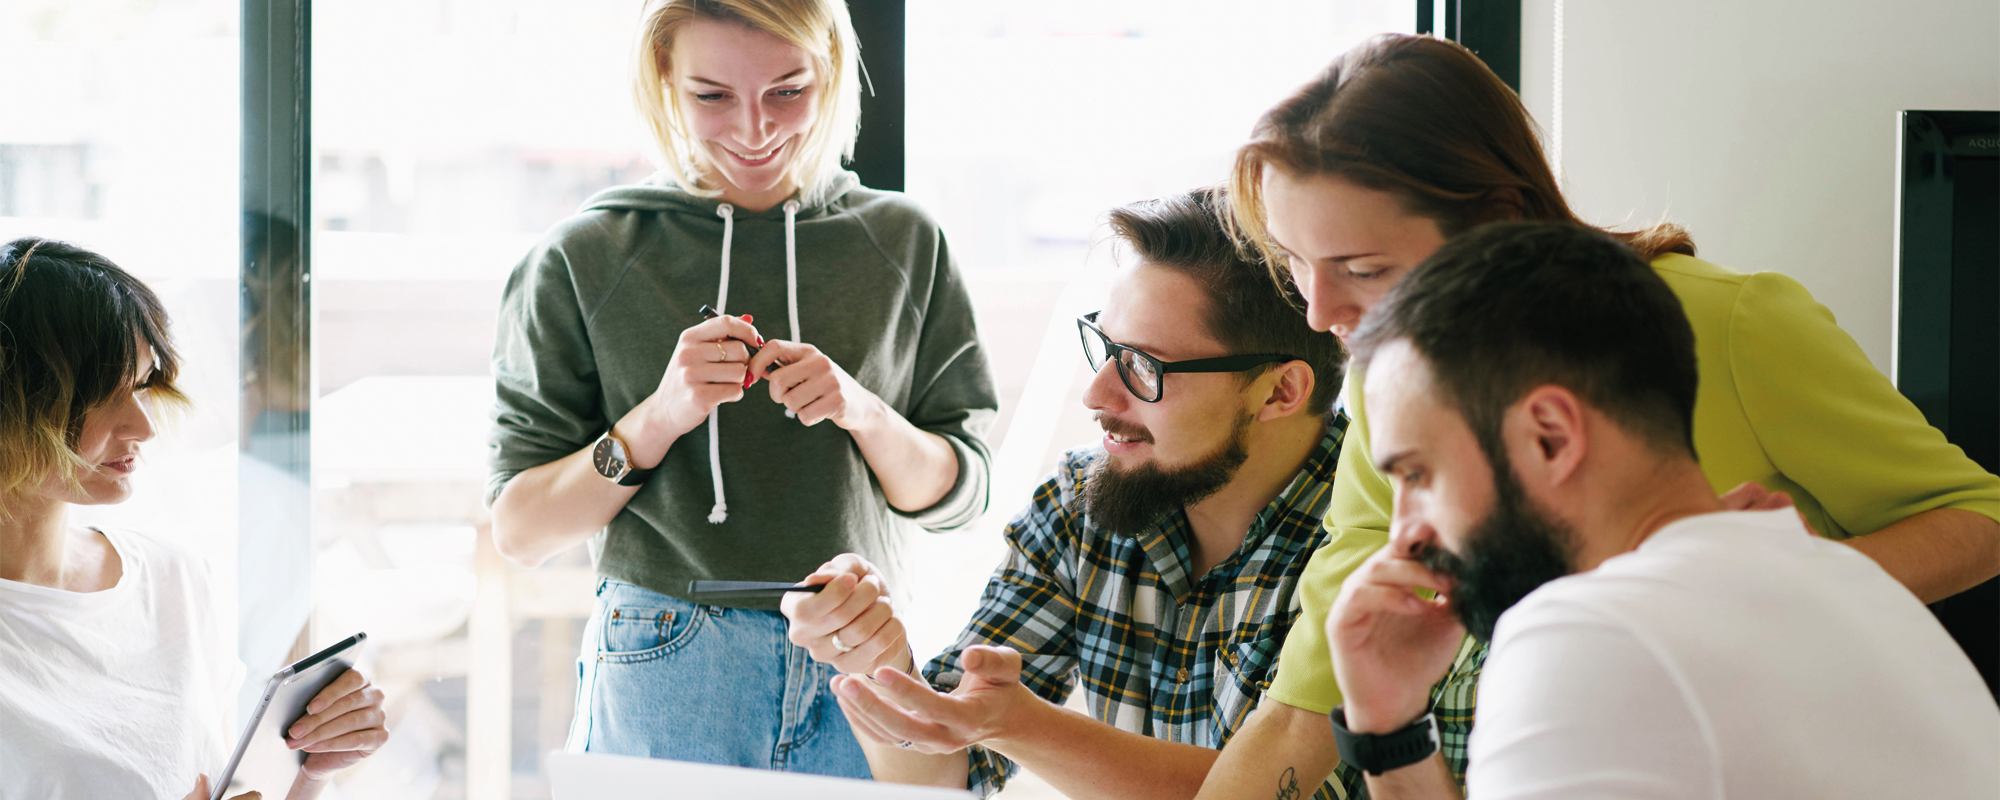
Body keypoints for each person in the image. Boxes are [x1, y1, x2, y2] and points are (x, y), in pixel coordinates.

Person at [1195, 34, 2000, 797]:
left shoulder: (1729, 330)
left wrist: (1743, 590)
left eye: (1365, 269)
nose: (1319, 313)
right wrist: (1386, 728)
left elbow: (1979, 516)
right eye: (1295, 264)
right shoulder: (1399, 373)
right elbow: (1312, 690)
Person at [485, 0, 997, 779]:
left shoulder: (906, 242)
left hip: (862, 652)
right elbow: (521, 532)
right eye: (712, 95)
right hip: (665, 656)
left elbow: (961, 496)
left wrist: (860, 410)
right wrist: (660, 416)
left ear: (830, 73)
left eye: (788, 91)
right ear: (663, 81)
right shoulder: (581, 256)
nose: (755, 130)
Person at [1326, 220, 2000, 797]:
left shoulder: (1589, 635)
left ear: (1550, 437)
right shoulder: (1856, 589)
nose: (1405, 532)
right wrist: (1388, 724)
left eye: (1416, 473)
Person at [780, 188, 1357, 799]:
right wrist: (881, 663)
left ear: (1280, 392)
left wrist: (1019, 725)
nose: (1097, 394)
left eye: (1144, 366)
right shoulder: (1080, 505)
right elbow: (948, 775)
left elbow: (1278, 791)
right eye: (1106, 348)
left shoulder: (1377, 540)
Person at [0, 237, 390, 800]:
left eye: (137, 385)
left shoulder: (172, 578)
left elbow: (223, 786)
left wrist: (313, 769)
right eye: (99, 395)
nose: (143, 425)